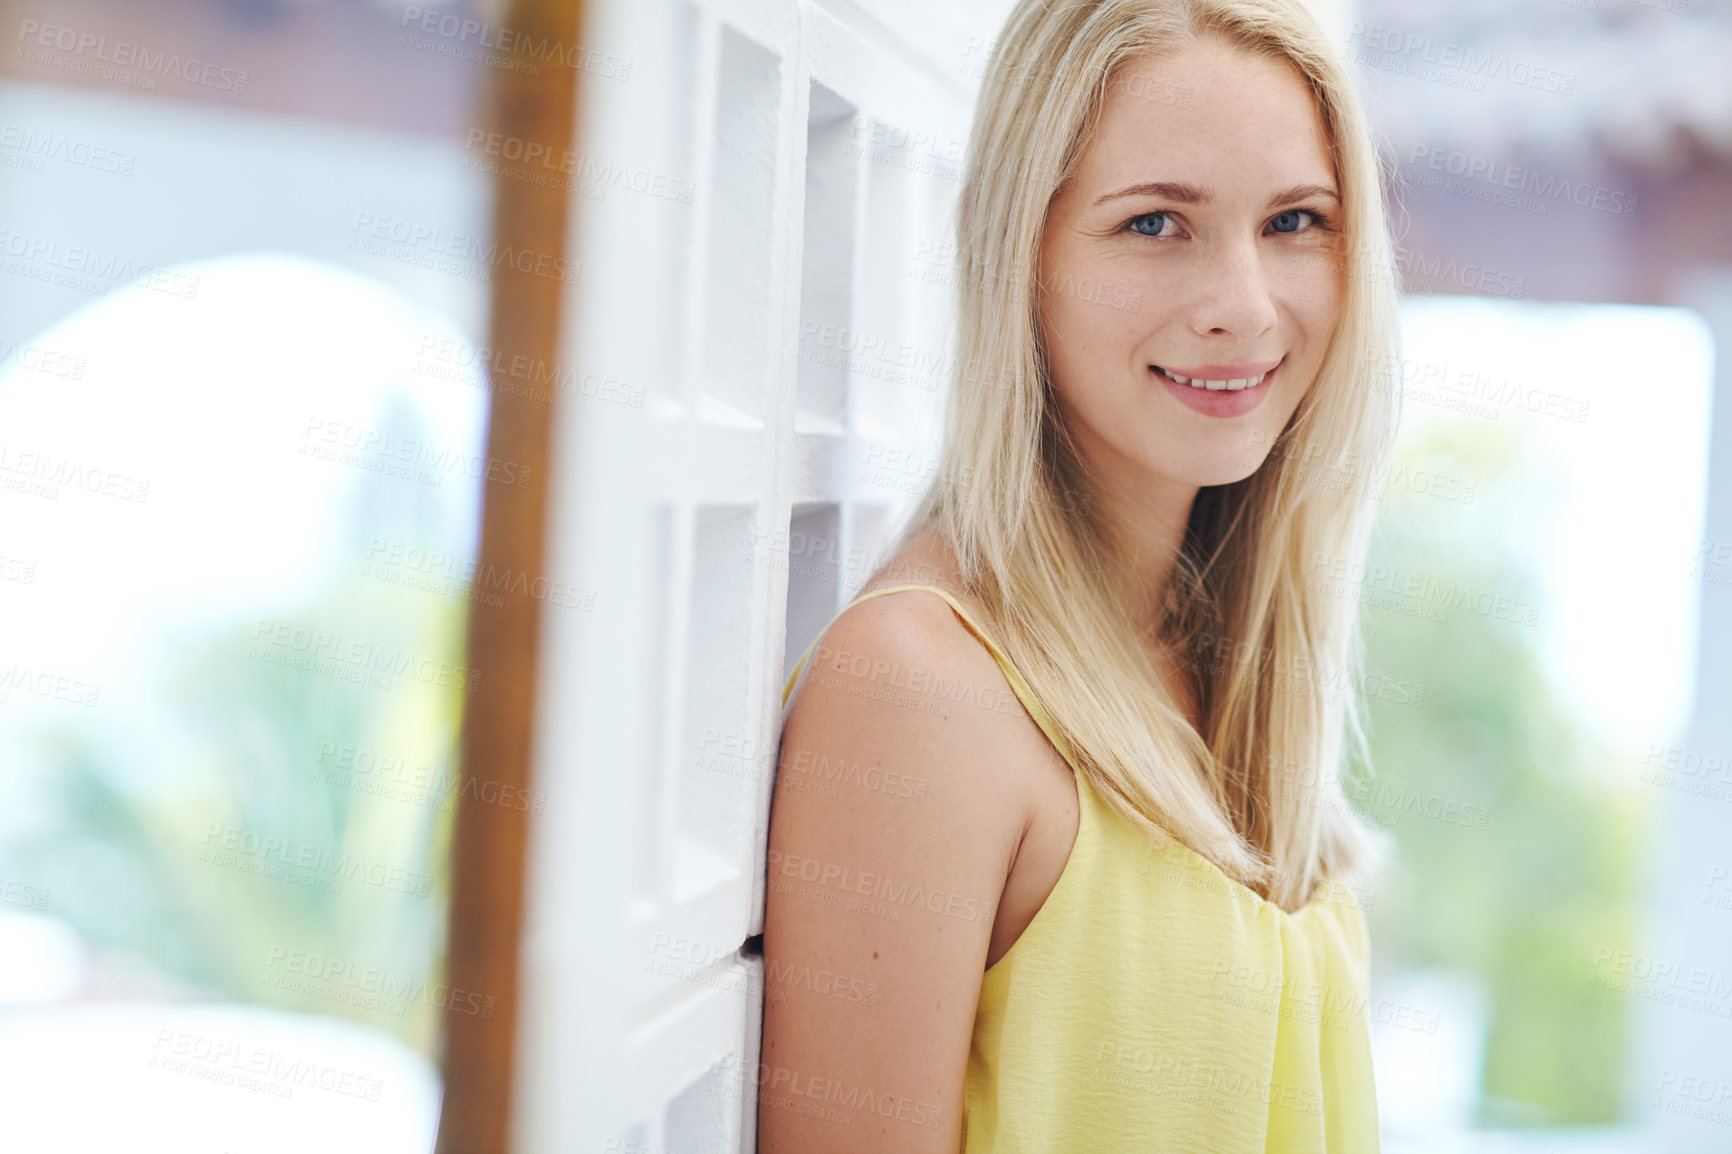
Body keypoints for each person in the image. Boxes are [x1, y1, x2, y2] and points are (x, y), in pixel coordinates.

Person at [758, 0, 1402, 1149]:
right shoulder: (924, 694)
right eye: (1155, 223)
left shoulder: (1221, 656)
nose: (1243, 307)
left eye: (1296, 220)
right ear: (1023, 250)